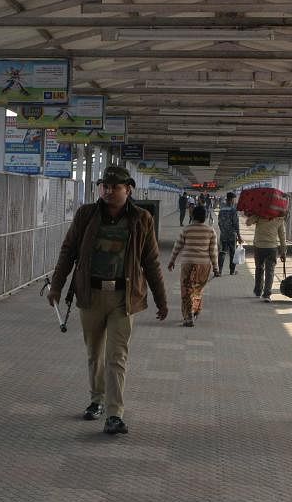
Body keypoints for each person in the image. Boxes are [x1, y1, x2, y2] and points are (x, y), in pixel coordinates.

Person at [47, 166, 168, 436]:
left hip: (123, 298)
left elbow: (151, 261)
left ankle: (115, 414)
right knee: (94, 354)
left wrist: (161, 299)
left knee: (117, 356)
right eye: (104, 185)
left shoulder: (141, 219)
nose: (108, 191)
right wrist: (57, 285)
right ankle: (96, 400)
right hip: (90, 295)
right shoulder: (86, 215)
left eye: (115, 187)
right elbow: (68, 250)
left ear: (129, 189)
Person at [167, 205, 218, 326]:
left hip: (188, 264)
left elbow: (177, 247)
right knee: (197, 290)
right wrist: (216, 267)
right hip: (204, 265)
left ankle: (188, 316)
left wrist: (171, 261)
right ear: (205, 217)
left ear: (193, 215)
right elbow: (213, 251)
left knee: (186, 290)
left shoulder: (186, 229)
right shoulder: (210, 230)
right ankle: (194, 311)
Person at [246, 208, 287, 302]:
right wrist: (283, 252)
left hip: (259, 246)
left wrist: (255, 214)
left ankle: (258, 291)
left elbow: (248, 223)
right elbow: (282, 237)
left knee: (259, 268)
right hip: (272, 248)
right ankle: (267, 294)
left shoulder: (260, 215)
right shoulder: (279, 219)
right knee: (270, 271)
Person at [216, 192, 242, 275]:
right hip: (232, 235)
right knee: (232, 253)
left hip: (223, 234)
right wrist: (239, 236)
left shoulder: (222, 209)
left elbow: (219, 222)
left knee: (222, 252)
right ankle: (232, 271)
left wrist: (223, 231)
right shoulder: (233, 210)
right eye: (234, 199)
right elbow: (236, 224)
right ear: (232, 200)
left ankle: (219, 271)